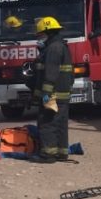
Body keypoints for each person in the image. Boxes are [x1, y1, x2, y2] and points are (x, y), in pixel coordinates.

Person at [31, 16, 72, 163]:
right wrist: (36, 95)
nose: (39, 38)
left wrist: (46, 94)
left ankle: (48, 155)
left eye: (40, 34)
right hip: (62, 94)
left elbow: (50, 74)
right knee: (60, 124)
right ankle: (61, 153)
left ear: (47, 32)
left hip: (52, 95)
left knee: (47, 123)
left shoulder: (53, 48)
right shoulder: (60, 46)